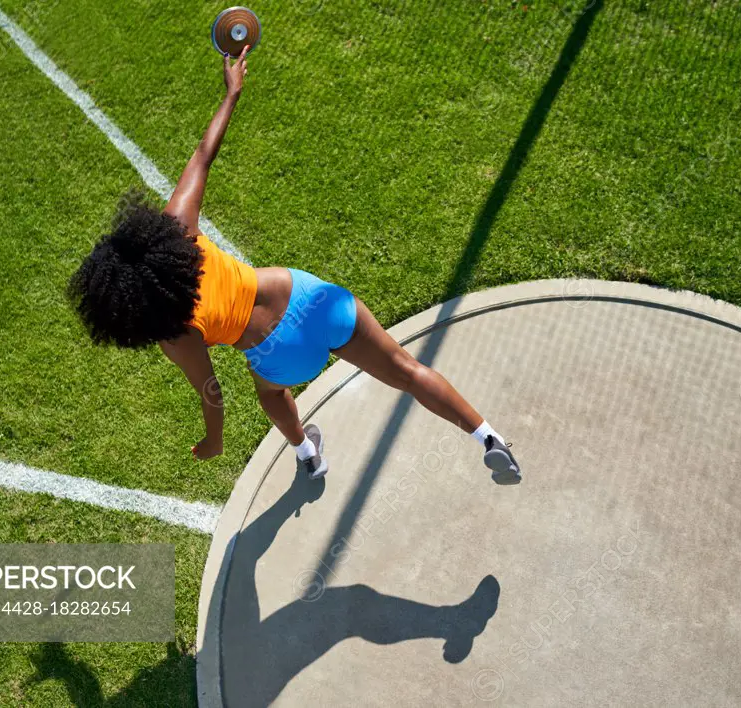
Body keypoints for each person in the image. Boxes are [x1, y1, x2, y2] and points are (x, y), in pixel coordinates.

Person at [67, 47, 520, 484]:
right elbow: (204, 155)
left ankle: (306, 452)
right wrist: (231, 93)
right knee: (406, 369)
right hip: (315, 301)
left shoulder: (175, 334)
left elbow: (212, 394)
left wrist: (214, 440)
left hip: (281, 359)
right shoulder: (180, 227)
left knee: (270, 393)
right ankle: (487, 435)